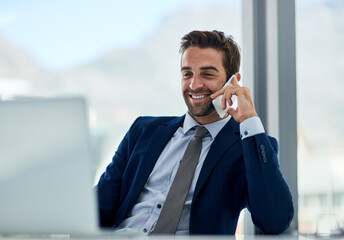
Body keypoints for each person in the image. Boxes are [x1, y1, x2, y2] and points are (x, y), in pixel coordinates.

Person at [96, 30, 294, 235]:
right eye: (187, 73)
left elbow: (275, 220)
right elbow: (99, 206)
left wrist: (249, 120)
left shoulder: (248, 145)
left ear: (233, 81)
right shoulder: (142, 131)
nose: (194, 84)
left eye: (207, 74)